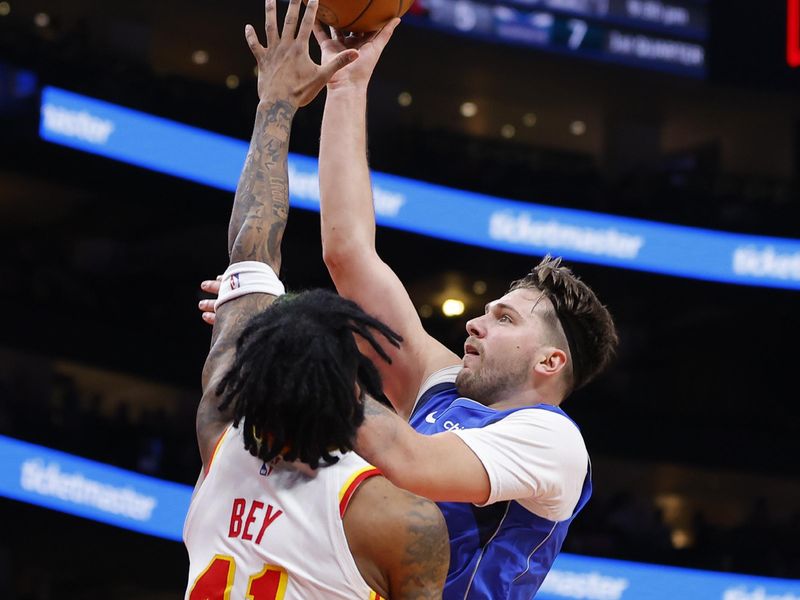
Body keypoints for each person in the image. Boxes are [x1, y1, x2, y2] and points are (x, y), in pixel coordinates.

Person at [199, 20, 618, 600]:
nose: (475, 321)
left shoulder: (553, 441)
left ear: (550, 362)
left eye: (504, 319)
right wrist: (349, 84)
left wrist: (283, 328)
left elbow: (404, 458)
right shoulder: (442, 387)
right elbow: (348, 255)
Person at [186, 4, 449, 599]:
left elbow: (252, 244)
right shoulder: (397, 520)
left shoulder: (220, 428)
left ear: (247, 375)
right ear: (353, 394)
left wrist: (274, 105)